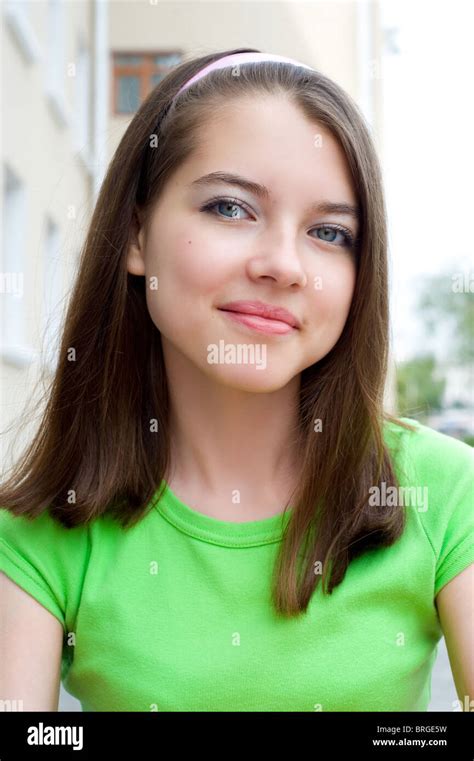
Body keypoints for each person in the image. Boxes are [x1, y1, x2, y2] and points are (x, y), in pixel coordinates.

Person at [0, 48, 472, 713]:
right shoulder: (37, 533)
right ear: (136, 233)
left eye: (330, 232)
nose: (283, 263)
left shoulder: (449, 496)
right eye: (230, 208)